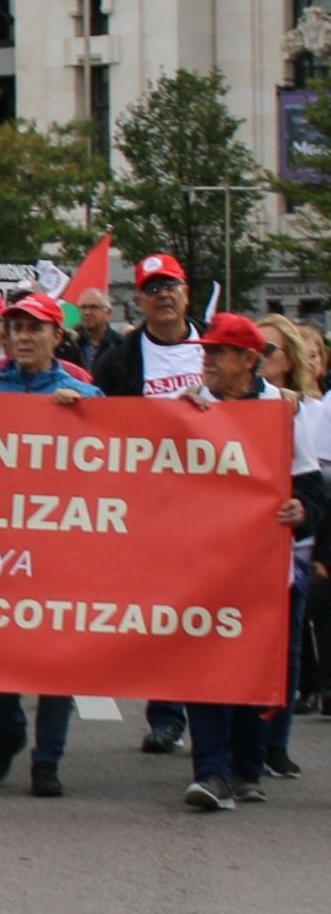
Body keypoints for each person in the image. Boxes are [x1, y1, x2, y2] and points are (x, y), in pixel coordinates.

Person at [176, 313, 325, 812]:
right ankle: (211, 771)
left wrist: (301, 510)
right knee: (205, 667)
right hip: (204, 566)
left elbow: (310, 485)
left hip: (264, 569)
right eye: (206, 352)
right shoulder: (191, 406)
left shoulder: (281, 411)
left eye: (218, 353)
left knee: (256, 671)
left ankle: (247, 765)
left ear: (247, 360)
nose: (208, 360)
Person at [0, 292, 99, 797]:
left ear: (57, 336)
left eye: (34, 328)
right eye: (16, 327)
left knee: (56, 657)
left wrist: (83, 416)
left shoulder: (82, 396)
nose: (23, 336)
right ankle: (10, 730)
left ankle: (47, 759)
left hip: (60, 550)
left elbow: (118, 458)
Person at [90, 252, 205, 753]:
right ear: (137, 300)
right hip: (150, 504)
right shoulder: (120, 357)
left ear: (187, 294)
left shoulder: (218, 348)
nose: (163, 296)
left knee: (213, 611)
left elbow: (257, 401)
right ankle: (166, 715)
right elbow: (101, 425)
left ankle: (224, 719)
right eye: (152, 288)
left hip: (215, 503)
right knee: (164, 613)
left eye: (171, 286)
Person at [259, 313, 325, 778]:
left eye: (269, 351)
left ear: (290, 361)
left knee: (286, 649)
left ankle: (275, 743)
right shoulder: (225, 404)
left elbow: (321, 488)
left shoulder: (311, 411)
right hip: (242, 546)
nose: (259, 359)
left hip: (295, 549)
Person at [73, 287, 121, 371]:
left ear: (108, 313)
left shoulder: (120, 345)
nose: (87, 312)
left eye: (93, 307)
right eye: (83, 307)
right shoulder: (74, 345)